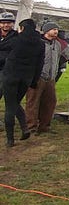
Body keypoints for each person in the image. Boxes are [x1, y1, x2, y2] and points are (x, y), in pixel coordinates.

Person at [25, 21, 69, 134]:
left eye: (57, 30)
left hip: (51, 77)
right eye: (53, 29)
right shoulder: (37, 42)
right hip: (37, 77)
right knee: (33, 102)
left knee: (50, 102)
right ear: (46, 31)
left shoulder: (57, 44)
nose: (56, 32)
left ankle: (45, 126)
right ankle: (30, 126)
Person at [3, 18, 44, 147]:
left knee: (10, 107)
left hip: (11, 76)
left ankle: (10, 139)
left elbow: (2, 46)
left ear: (22, 28)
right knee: (15, 103)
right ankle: (25, 129)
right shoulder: (40, 43)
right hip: (26, 78)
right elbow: (39, 64)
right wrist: (34, 81)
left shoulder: (16, 40)